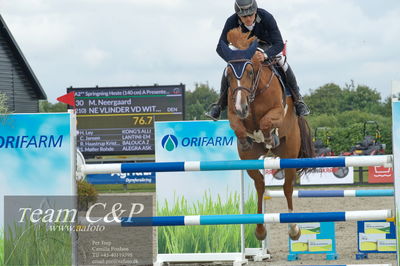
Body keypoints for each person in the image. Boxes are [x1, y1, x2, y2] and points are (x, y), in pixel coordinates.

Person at [206, 0, 310, 120]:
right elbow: (220, 47)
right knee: (227, 70)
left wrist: (265, 55)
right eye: (244, 16)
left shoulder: (266, 17)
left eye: (251, 14)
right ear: (238, 15)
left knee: (283, 63)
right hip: (244, 50)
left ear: (255, 11)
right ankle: (219, 105)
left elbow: (279, 44)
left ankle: (298, 101)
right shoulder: (231, 21)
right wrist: (234, 60)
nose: (248, 18)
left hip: (267, 47)